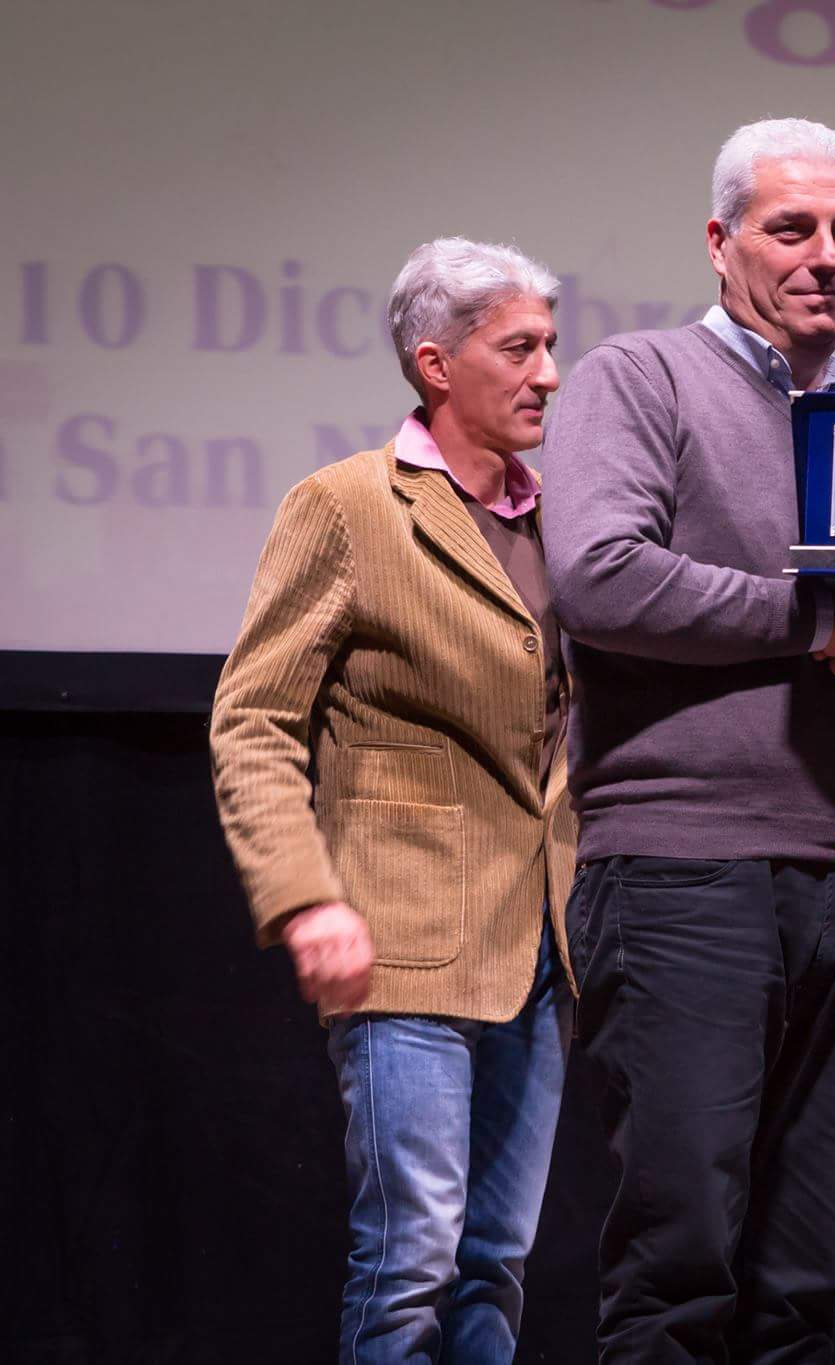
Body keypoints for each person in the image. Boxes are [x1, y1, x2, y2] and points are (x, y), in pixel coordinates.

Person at [541, 117, 835, 1361]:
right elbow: (600, 577)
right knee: (680, 1267)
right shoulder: (640, 378)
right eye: (791, 229)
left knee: (798, 1284)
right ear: (720, 241)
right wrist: (821, 616)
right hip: (680, 872)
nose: (826, 256)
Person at [210, 236, 575, 1362]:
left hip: (541, 944)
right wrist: (303, 896)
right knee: (412, 1258)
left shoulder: (562, 517)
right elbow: (253, 719)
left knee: (496, 1261)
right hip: (403, 934)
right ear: (436, 365)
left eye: (551, 345)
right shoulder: (348, 507)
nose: (550, 373)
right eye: (520, 348)